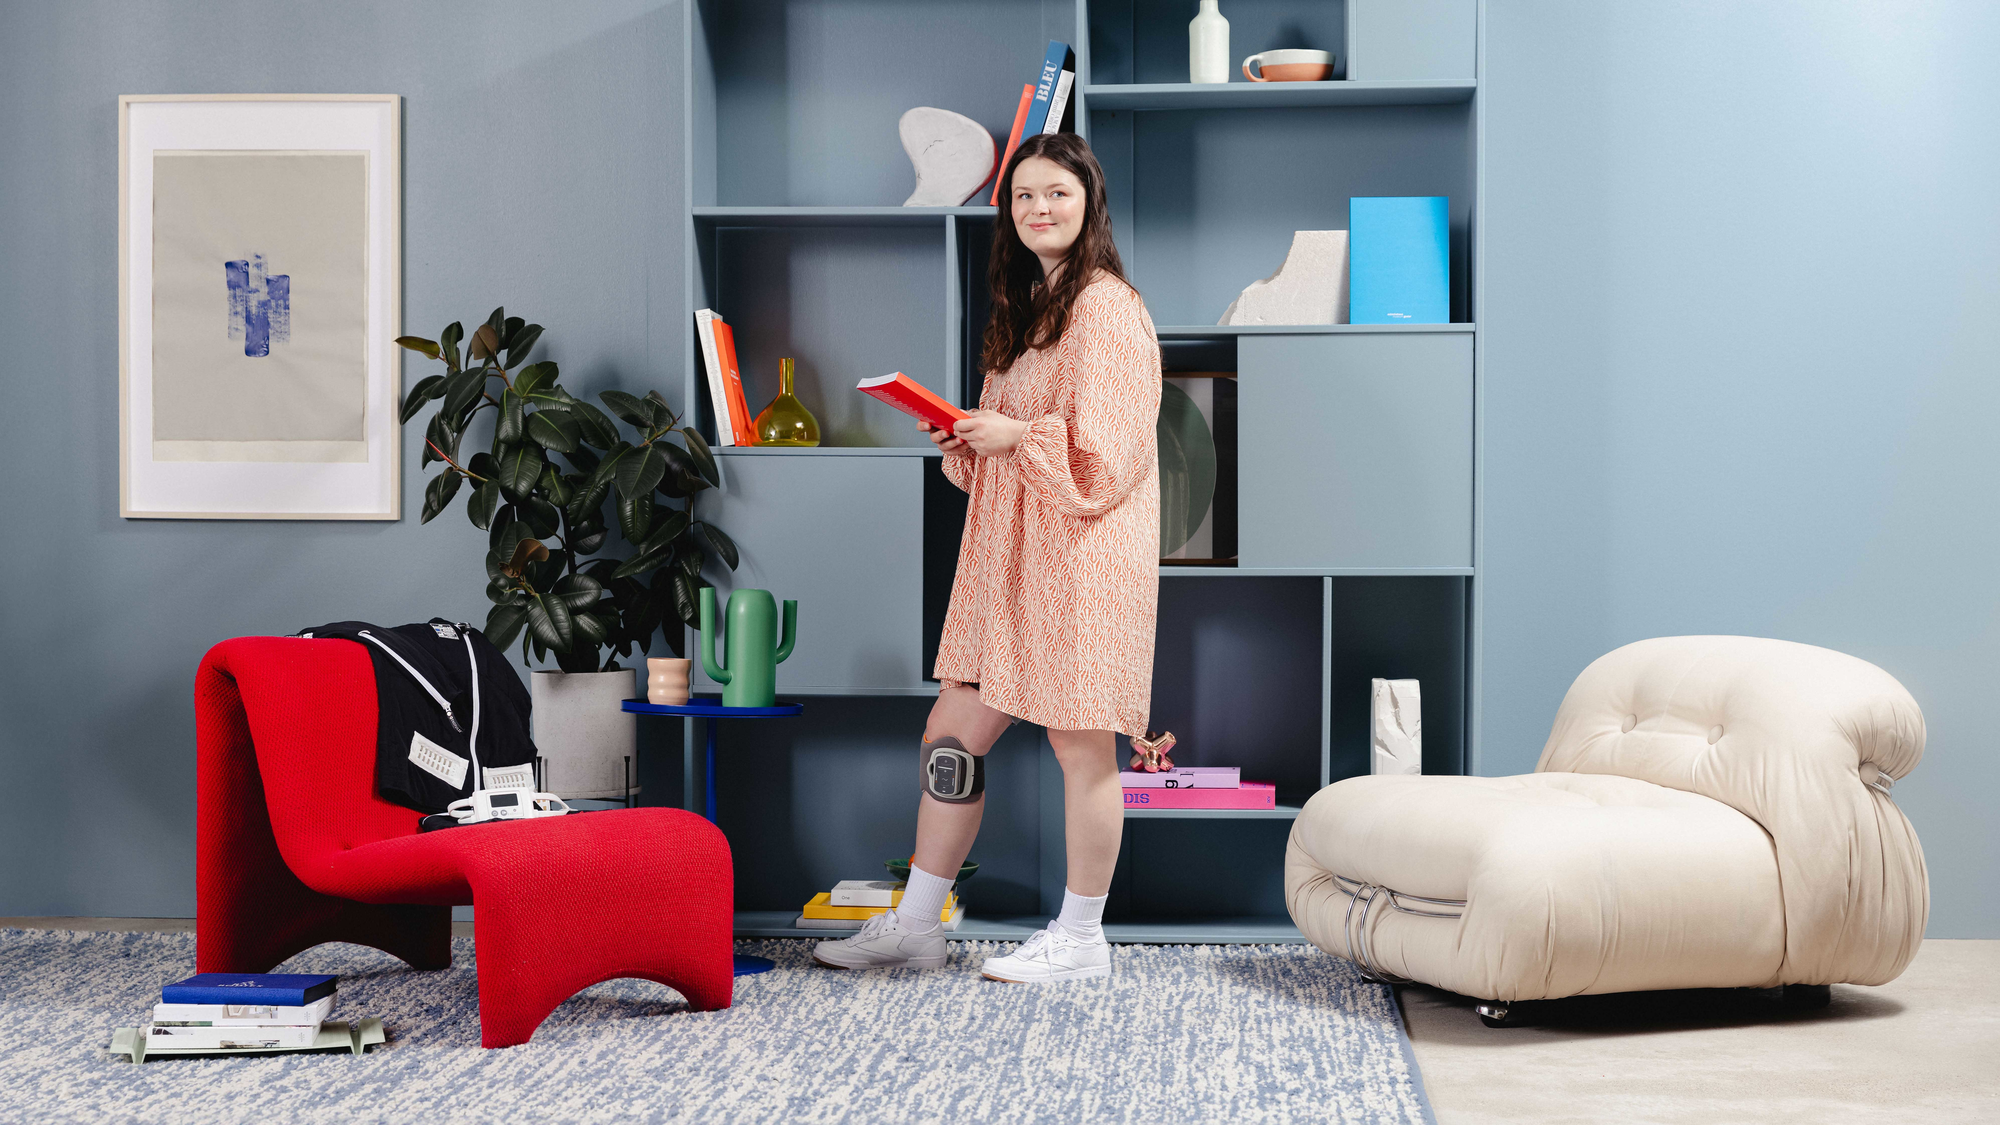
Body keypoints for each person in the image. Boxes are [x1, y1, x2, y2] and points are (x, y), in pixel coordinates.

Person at [813, 132, 1162, 983]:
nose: (1040, 209)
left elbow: (1108, 456)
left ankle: (1081, 939)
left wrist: (1015, 435)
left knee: (1083, 749)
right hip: (1009, 564)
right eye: (1024, 197)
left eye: (1058, 194)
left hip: (1082, 561)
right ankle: (916, 925)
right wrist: (965, 436)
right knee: (951, 737)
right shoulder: (1029, 311)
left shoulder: (1109, 308)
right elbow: (1009, 460)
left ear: (1089, 206)